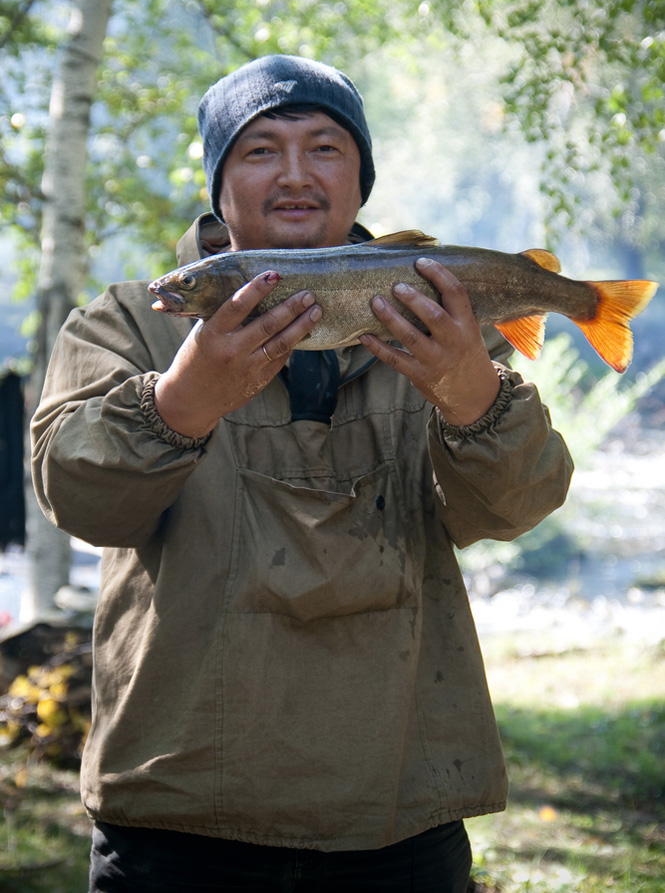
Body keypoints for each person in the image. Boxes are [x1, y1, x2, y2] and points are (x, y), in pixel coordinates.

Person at [31, 55, 573, 893]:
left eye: (324, 147)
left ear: (360, 178)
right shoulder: (125, 324)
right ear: (216, 183)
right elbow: (75, 496)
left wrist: (471, 393)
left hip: (399, 810)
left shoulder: (436, 312)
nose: (293, 173)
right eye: (257, 150)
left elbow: (514, 507)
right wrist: (180, 401)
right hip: (176, 816)